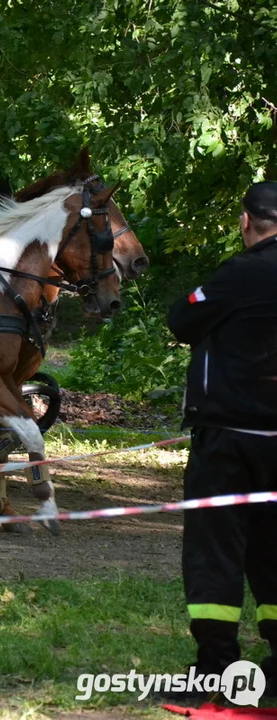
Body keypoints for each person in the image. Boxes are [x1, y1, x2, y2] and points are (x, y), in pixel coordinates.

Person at [164, 181, 277, 699]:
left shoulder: (239, 274)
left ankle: (216, 668)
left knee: (216, 552)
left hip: (228, 439)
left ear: (245, 221)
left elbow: (183, 320)